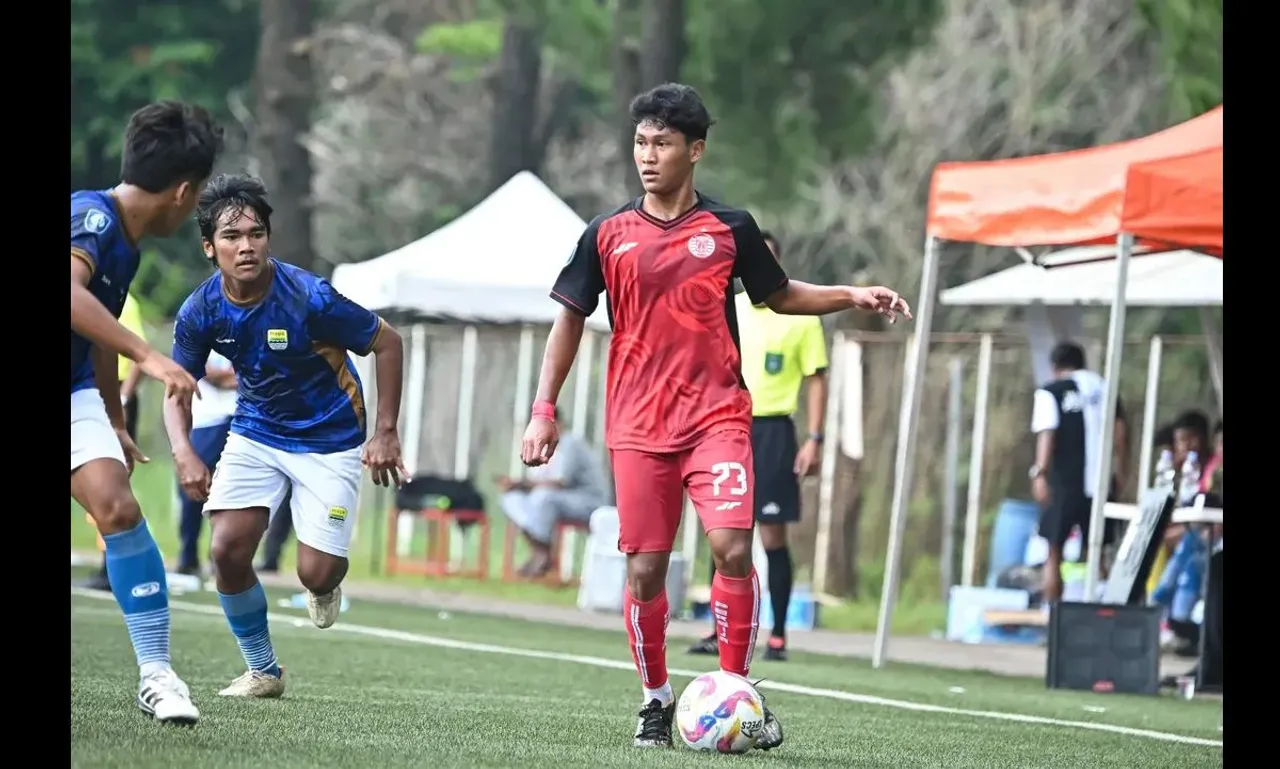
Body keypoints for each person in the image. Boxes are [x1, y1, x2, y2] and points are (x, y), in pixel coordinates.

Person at [519, 83, 911, 750]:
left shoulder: (731, 228)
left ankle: (738, 693)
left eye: (663, 143)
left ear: (694, 150)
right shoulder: (606, 234)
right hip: (638, 427)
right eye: (640, 142)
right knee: (645, 569)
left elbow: (780, 294)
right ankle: (654, 701)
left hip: (717, 418)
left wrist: (851, 293)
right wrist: (542, 410)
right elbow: (570, 318)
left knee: (732, 546)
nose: (648, 155)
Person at [162, 174, 409, 700]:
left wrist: (385, 432)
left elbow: (388, 343)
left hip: (333, 438)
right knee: (227, 550)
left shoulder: (310, 296)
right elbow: (176, 387)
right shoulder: (200, 309)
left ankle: (324, 584)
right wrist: (183, 452)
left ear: (269, 237)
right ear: (210, 247)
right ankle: (263, 671)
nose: (246, 245)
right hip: (257, 431)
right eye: (231, 237)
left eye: (256, 233)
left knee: (316, 573)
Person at [70, 101, 224, 725]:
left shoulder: (125, 246)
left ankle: (157, 675)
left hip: (75, 392)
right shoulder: (92, 217)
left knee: (119, 508)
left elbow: (98, 334)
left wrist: (112, 417)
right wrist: (152, 358)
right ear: (183, 193)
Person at [688, 231, 828, 662]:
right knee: (724, 533)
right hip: (725, 427)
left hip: (773, 433)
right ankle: (719, 629)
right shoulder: (728, 308)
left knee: (771, 537)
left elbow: (816, 377)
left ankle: (780, 634)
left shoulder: (801, 316)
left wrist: (815, 439)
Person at [1029, 341, 1128, 605]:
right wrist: (1122, 469)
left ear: (1055, 367)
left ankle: (1055, 619)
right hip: (1101, 483)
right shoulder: (1105, 388)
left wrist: (1040, 473)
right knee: (1098, 551)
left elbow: (1047, 434)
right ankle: (1106, 613)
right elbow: (1120, 434)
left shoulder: (1051, 392)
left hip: (1065, 482)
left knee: (1054, 550)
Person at [82, 292, 150, 592]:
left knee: (111, 483)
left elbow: (137, 355)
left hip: (112, 396)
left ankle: (113, 565)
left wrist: (121, 400)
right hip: (91, 393)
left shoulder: (121, 298)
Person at [498, 407, 610, 578]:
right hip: (557, 500)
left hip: (588, 501)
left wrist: (521, 483)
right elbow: (537, 481)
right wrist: (517, 486)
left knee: (544, 498)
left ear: (558, 423)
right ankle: (541, 550)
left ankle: (541, 555)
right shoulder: (543, 446)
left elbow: (560, 482)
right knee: (511, 499)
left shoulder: (571, 443)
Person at [175, 350, 238, 575]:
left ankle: (221, 558)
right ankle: (188, 554)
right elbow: (202, 371)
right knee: (193, 486)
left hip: (241, 419)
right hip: (207, 419)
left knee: (230, 492)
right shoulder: (203, 323)